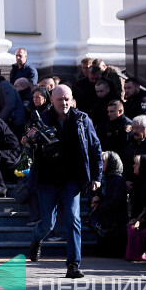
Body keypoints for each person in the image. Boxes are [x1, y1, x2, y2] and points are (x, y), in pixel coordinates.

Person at [25, 85, 102, 279]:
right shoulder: (41, 119)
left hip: (72, 180)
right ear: (52, 100)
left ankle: (73, 265)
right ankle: (36, 240)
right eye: (60, 99)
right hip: (47, 179)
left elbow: (95, 148)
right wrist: (30, 141)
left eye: (67, 99)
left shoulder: (82, 120)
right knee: (48, 224)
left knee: (73, 219)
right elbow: (29, 149)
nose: (64, 103)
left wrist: (97, 177)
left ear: (72, 99)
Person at [87, 151, 127, 257]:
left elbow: (114, 200)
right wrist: (93, 199)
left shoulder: (118, 179)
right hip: (105, 213)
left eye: (103, 161)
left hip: (114, 216)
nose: (101, 164)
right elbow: (94, 193)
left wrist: (99, 206)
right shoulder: (103, 178)